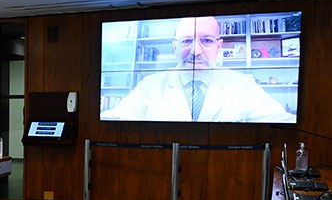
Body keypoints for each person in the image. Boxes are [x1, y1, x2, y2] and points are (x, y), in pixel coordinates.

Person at [101, 16, 296, 122]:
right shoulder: (150, 85)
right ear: (174, 47)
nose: (195, 51)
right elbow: (115, 118)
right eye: (186, 41)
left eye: (207, 41)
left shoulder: (242, 84)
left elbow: (280, 121)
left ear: (219, 46)